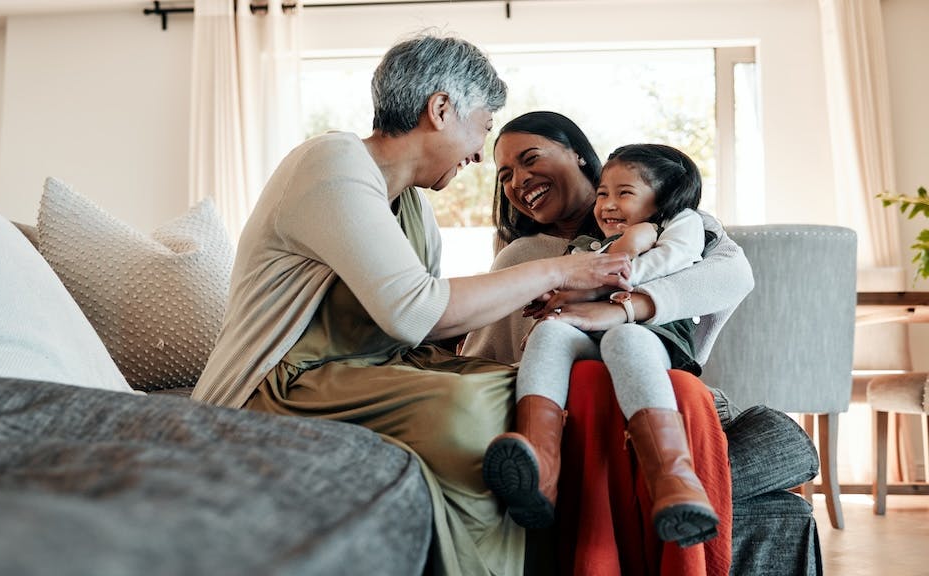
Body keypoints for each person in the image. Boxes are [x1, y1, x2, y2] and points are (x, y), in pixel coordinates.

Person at [190, 35, 637, 576]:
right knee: (471, 409)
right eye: (482, 125)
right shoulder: (331, 161)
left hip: (368, 370)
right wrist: (559, 269)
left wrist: (523, 306)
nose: (478, 152)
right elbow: (414, 311)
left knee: (523, 388)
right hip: (281, 382)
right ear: (441, 109)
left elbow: (419, 325)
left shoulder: (413, 207)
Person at [462, 111, 753, 574]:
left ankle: (673, 483)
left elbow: (733, 275)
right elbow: (487, 356)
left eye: (530, 158)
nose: (518, 181)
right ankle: (540, 466)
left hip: (655, 369)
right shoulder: (522, 256)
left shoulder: (667, 221)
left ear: (579, 153)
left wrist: (622, 306)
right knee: (564, 349)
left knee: (763, 430)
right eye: (505, 175)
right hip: (571, 398)